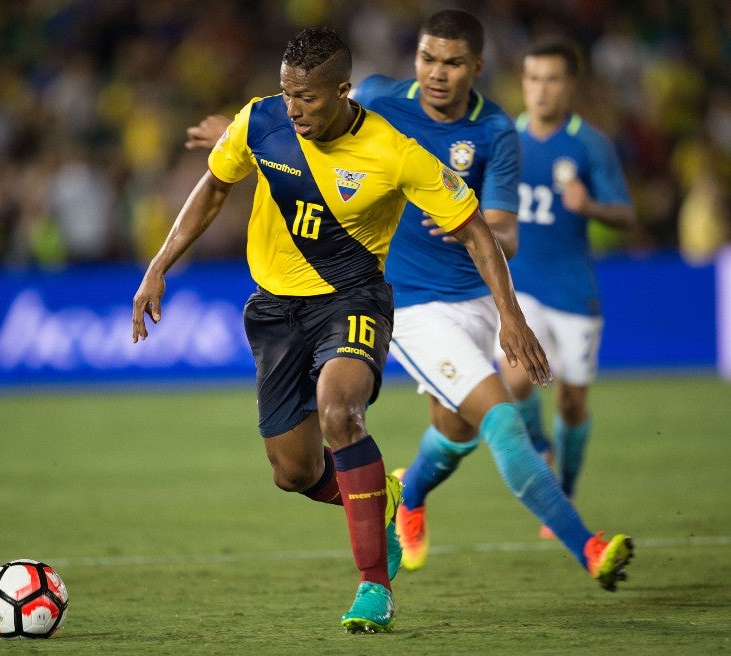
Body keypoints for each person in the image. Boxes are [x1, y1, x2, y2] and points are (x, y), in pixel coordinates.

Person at [183, 11, 633, 594]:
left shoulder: (496, 130)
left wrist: (488, 268)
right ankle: (590, 547)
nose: (436, 74)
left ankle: (407, 494)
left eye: (451, 63)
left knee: (455, 430)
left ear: (476, 67)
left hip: (474, 297)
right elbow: (302, 127)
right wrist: (241, 132)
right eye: (426, 59)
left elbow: (501, 233)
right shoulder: (379, 100)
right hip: (413, 303)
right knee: (501, 420)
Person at [135, 27, 550, 633]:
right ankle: (381, 494)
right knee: (294, 473)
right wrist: (158, 265)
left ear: (344, 90)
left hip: (352, 299)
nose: (294, 109)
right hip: (276, 310)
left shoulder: (394, 151)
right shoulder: (261, 121)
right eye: (287, 94)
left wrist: (510, 315)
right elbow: (215, 187)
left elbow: (474, 230)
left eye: (308, 98)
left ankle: (373, 587)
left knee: (340, 413)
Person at [495, 40, 636, 538]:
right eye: (533, 78)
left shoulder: (589, 144)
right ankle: (541, 450)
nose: (540, 89)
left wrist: (589, 205)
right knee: (515, 379)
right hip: (521, 289)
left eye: (551, 79)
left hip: (574, 291)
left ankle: (568, 488)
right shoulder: (504, 137)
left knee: (573, 403)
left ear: (569, 85)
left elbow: (625, 212)